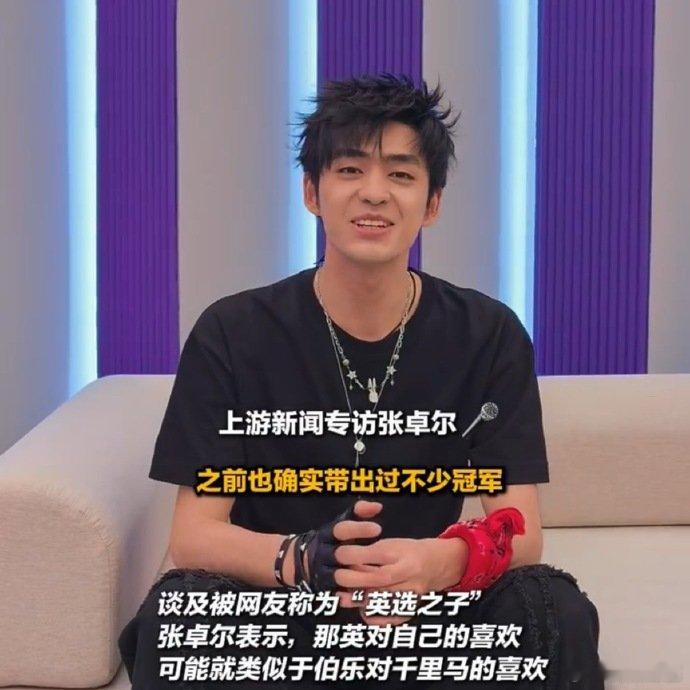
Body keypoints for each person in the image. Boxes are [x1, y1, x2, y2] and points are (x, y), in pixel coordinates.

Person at [118, 74, 605, 689]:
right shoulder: (233, 331)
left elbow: (520, 528)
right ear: (312, 192)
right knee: (178, 621)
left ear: (432, 203)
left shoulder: (489, 334)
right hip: (281, 606)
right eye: (350, 170)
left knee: (554, 609)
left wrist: (438, 563)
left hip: (426, 610)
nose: (374, 193)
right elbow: (193, 537)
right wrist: (303, 559)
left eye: (400, 174)